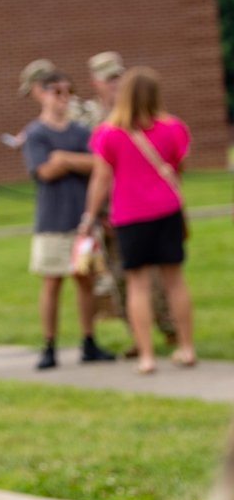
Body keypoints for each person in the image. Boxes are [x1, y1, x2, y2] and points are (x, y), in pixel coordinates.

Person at [79, 66, 196, 374]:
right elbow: (178, 166)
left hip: (130, 215)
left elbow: (101, 180)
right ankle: (186, 348)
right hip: (168, 210)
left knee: (138, 285)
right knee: (175, 281)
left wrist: (88, 217)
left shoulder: (108, 133)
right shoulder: (174, 128)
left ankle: (146, 356)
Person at [21, 69, 116, 369]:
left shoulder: (80, 132)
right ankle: (49, 344)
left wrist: (63, 158)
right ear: (43, 93)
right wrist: (70, 162)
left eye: (68, 91)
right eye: (58, 92)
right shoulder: (35, 133)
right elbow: (44, 171)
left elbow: (99, 165)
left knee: (85, 281)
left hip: (82, 221)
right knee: (52, 282)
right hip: (52, 221)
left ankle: (89, 341)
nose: (64, 98)